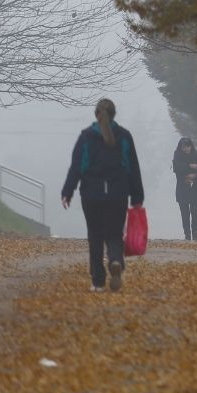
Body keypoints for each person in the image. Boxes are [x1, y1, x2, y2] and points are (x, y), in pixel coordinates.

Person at [61, 98, 144, 292]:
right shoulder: (124, 136)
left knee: (95, 236)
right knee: (114, 234)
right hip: (117, 194)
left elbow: (77, 167)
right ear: (114, 114)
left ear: (96, 114)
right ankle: (115, 261)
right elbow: (132, 168)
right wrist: (137, 197)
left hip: (92, 194)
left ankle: (98, 281)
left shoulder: (86, 136)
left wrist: (68, 191)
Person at [172, 137, 197, 241]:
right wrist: (191, 166)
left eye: (187, 146)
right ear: (180, 147)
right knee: (185, 213)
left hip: (196, 188)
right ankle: (187, 234)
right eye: (183, 147)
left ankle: (194, 232)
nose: (186, 149)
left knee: (195, 211)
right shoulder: (177, 156)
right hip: (182, 188)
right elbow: (177, 169)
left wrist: (195, 176)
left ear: (191, 146)